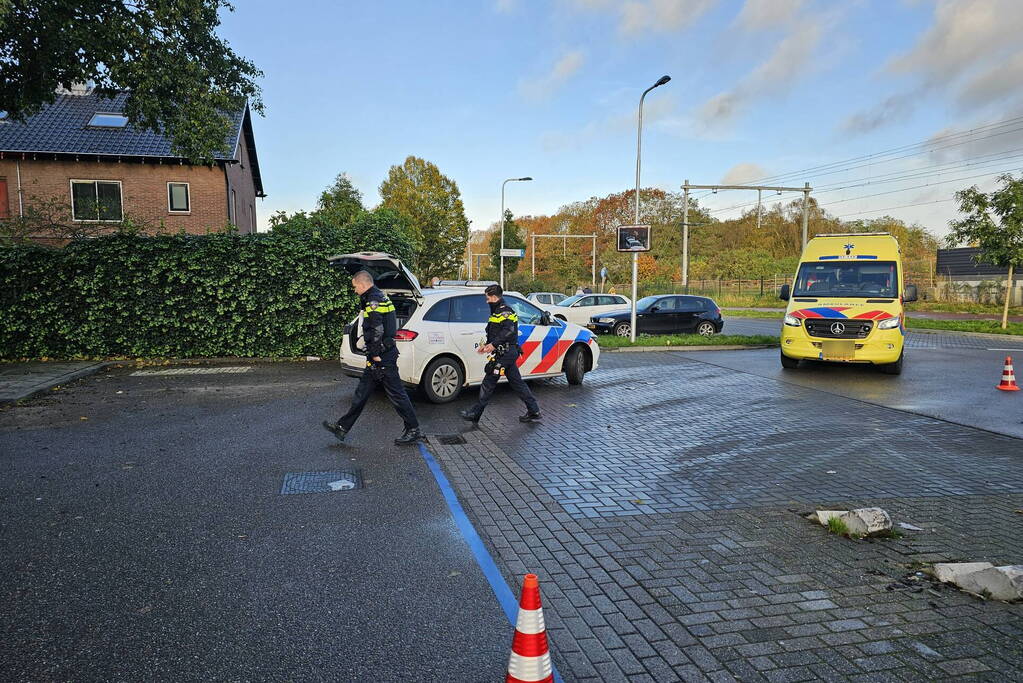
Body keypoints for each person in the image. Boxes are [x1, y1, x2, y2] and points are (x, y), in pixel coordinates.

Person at [323, 270, 424, 445]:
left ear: (362, 285)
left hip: (382, 357)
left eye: (355, 287)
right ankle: (342, 428)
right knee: (361, 393)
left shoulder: (374, 301)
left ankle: (413, 429)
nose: (354, 290)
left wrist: (376, 354)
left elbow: (377, 330)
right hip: (379, 356)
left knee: (397, 394)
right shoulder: (379, 297)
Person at [459, 284, 541, 424]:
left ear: (495, 297)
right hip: (505, 352)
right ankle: (534, 410)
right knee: (517, 383)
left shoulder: (506, 312)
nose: (487, 301)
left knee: (488, 382)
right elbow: (495, 332)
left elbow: (508, 331)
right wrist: (486, 345)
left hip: (506, 353)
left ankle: (475, 413)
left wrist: (493, 345)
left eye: (488, 298)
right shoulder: (496, 312)